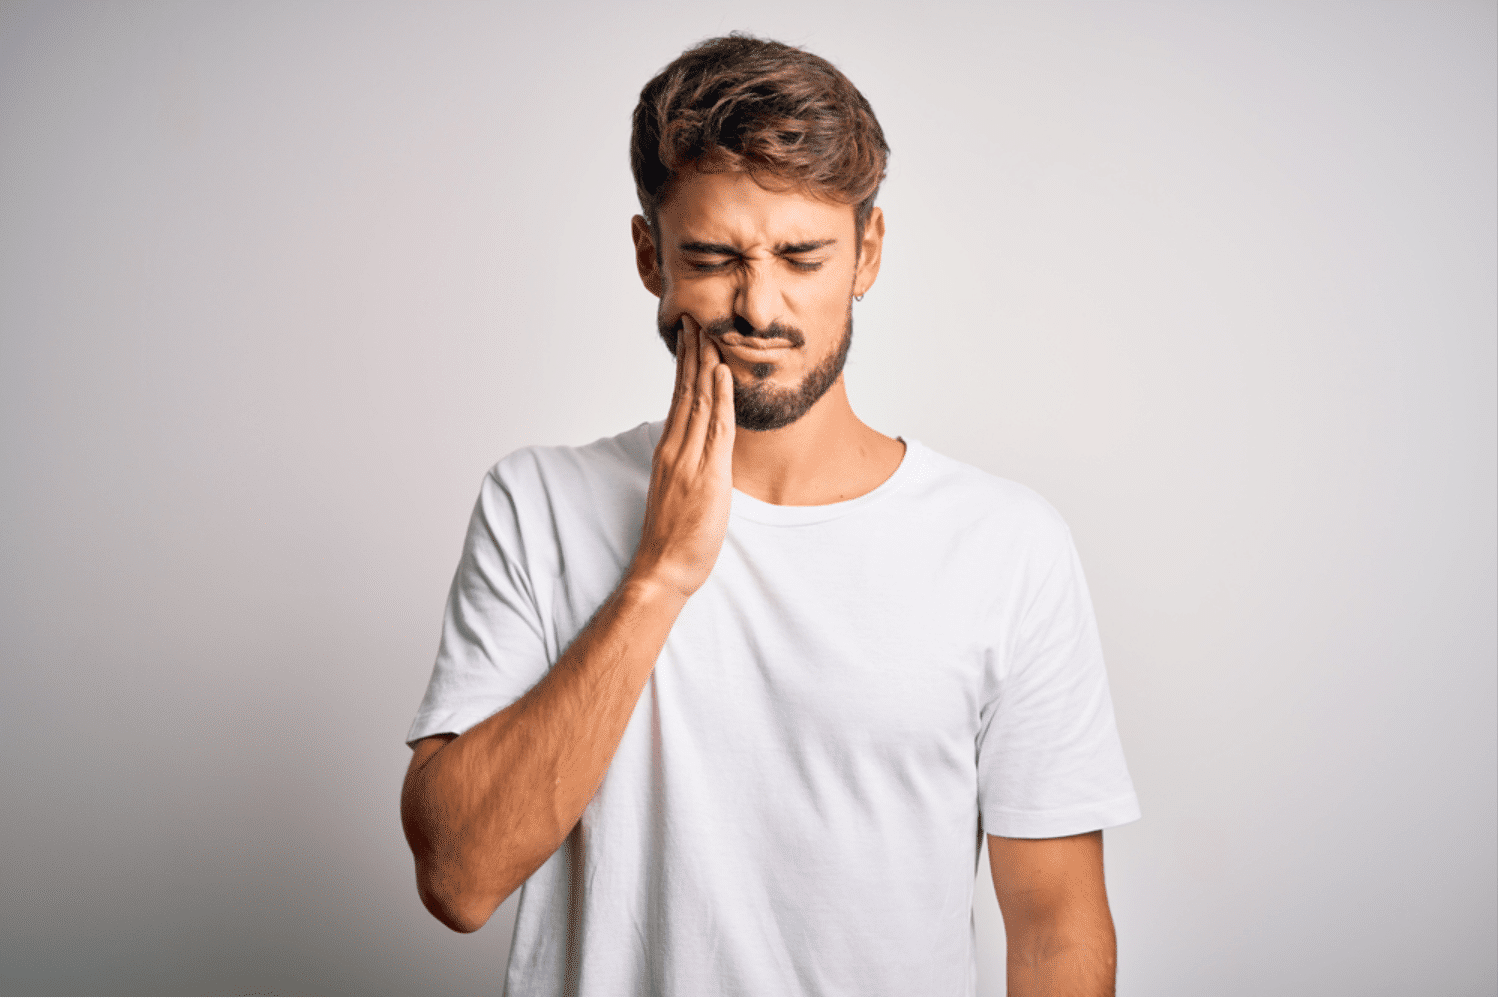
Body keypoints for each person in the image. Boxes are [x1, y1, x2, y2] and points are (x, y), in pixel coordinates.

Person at [400, 33, 1140, 997]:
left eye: (802, 256)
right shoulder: (536, 505)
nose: (758, 305)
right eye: (712, 257)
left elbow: (1053, 925)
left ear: (866, 253)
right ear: (648, 255)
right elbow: (458, 876)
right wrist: (659, 573)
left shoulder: (1006, 545)